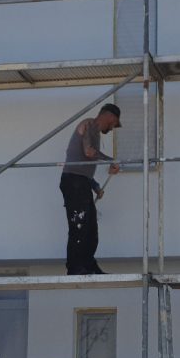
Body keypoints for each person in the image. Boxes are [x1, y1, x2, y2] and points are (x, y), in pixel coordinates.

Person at [61, 104, 122, 275]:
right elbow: (88, 153)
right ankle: (75, 267)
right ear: (111, 117)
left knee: (90, 228)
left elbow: (84, 168)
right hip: (73, 183)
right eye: (114, 124)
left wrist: (95, 186)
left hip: (81, 182)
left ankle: (88, 264)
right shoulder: (88, 124)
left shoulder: (94, 132)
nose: (113, 128)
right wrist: (111, 160)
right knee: (79, 225)